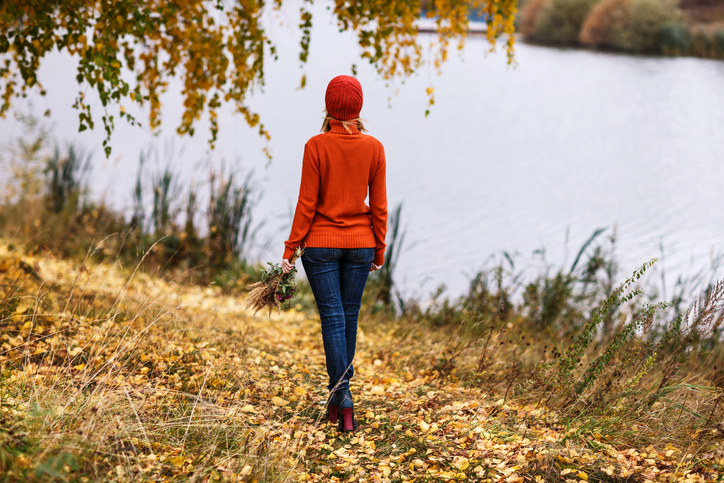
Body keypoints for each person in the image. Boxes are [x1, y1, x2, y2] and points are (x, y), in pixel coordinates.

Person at [281, 75, 388, 432]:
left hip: (321, 246)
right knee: (349, 316)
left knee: (332, 317)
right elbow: (380, 207)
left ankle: (340, 393)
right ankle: (342, 396)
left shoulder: (316, 146)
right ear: (358, 107)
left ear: (328, 106)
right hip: (360, 244)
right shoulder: (374, 148)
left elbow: (307, 204)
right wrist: (379, 247)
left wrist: (290, 249)